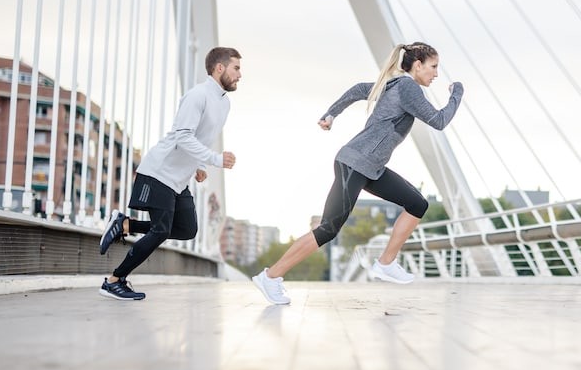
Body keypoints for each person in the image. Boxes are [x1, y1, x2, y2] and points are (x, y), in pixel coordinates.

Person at [252, 41, 463, 305]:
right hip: (355, 163)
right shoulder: (407, 86)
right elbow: (439, 120)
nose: (436, 74)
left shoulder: (394, 85)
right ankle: (270, 277)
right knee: (328, 229)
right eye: (433, 67)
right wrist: (457, 93)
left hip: (370, 168)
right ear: (418, 65)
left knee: (417, 203)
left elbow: (359, 90)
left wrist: (331, 114)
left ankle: (386, 262)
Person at [97, 47, 241, 300]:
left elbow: (201, 137)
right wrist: (215, 159)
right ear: (220, 68)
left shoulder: (224, 103)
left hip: (179, 179)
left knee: (187, 230)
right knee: (161, 230)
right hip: (159, 172)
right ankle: (114, 280)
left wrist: (200, 166)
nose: (240, 75)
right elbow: (182, 135)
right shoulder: (197, 95)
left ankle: (125, 224)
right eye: (236, 68)